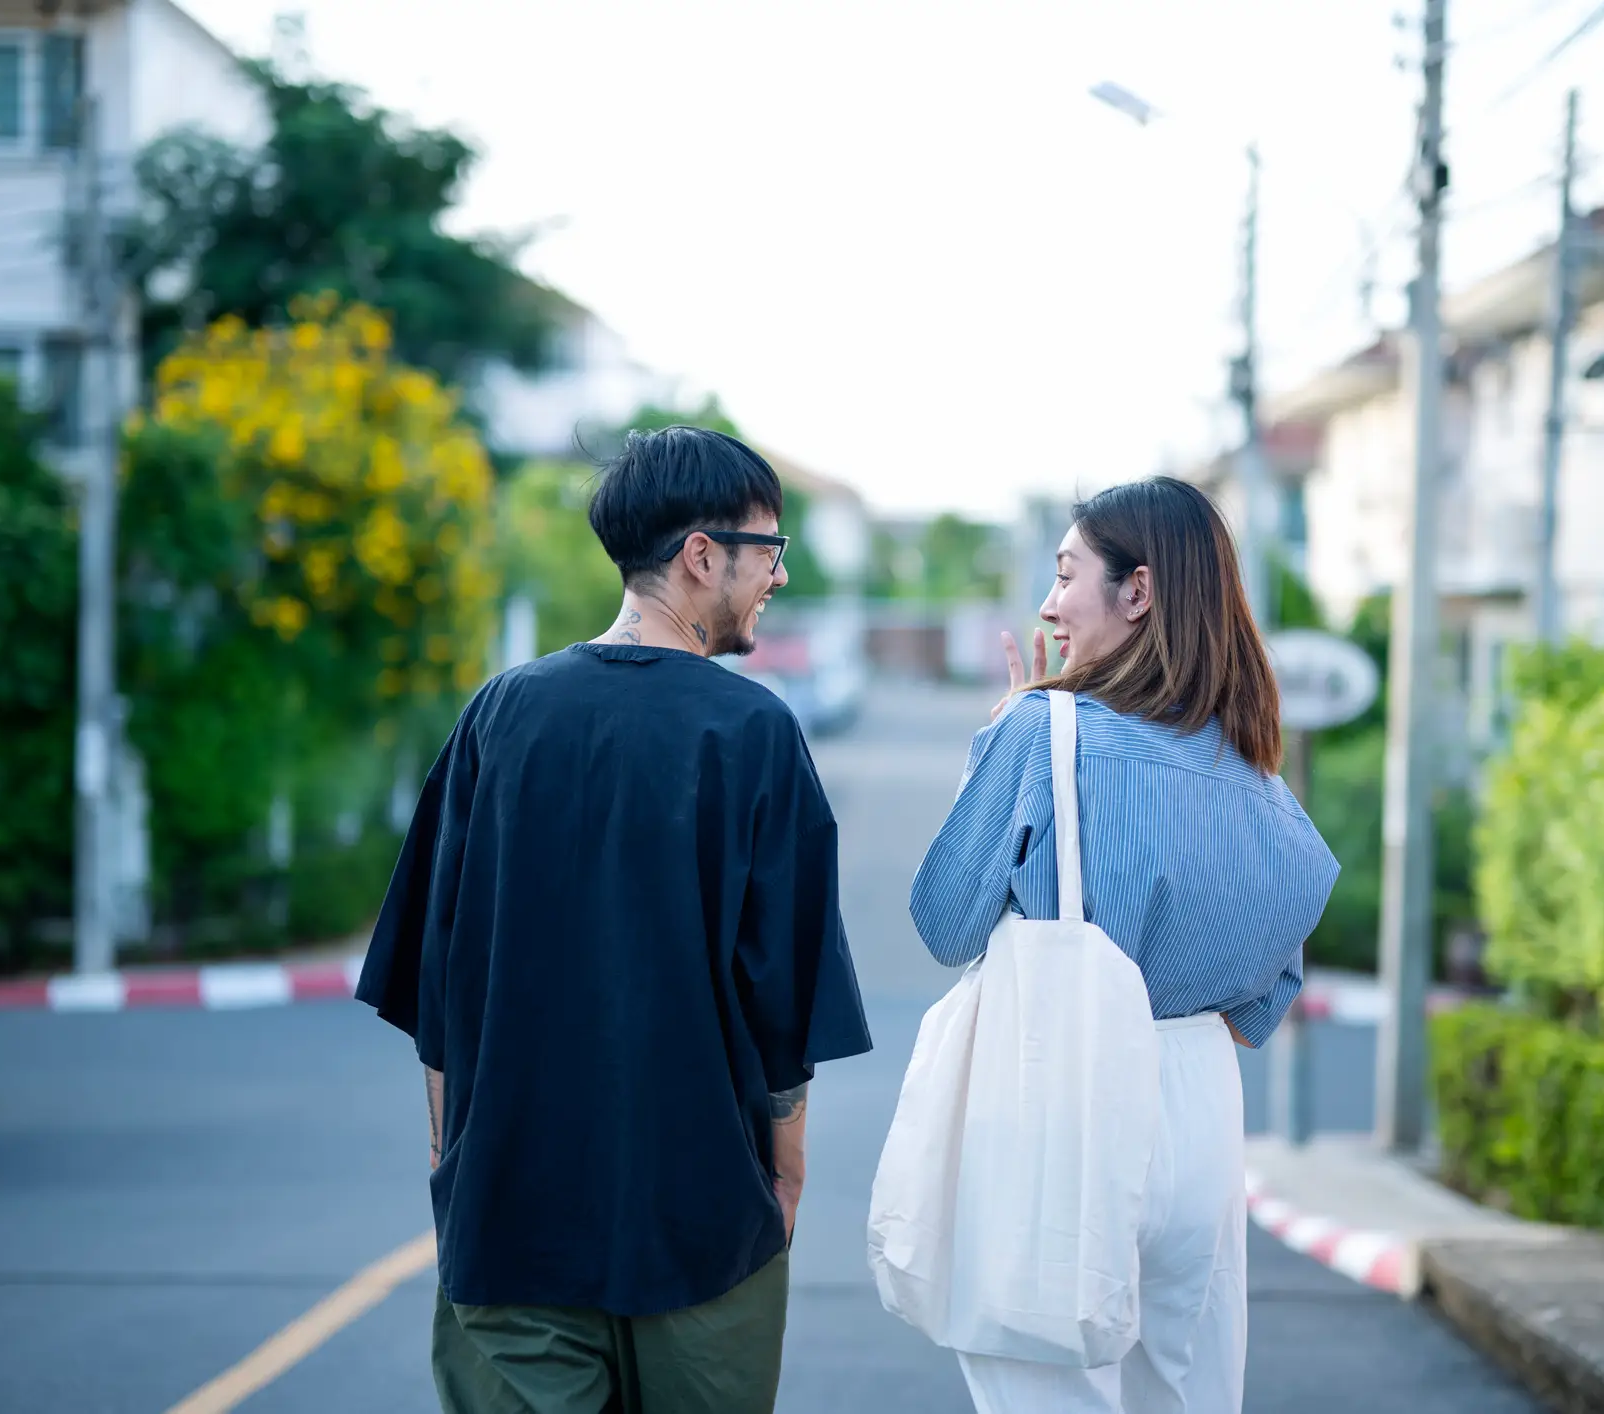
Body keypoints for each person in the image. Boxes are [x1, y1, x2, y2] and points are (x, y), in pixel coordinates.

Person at [356, 425, 874, 1414]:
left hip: (508, 1220)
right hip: (701, 1226)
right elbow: (784, 1012)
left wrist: (449, 1164)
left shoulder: (499, 716)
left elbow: (437, 978)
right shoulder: (754, 732)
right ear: (700, 554)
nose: (778, 574)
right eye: (768, 549)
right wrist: (786, 1175)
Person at [908, 476, 1339, 1413]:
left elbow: (945, 920)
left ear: (1136, 593)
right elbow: (1261, 1004)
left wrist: (1001, 742)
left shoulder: (1039, 732)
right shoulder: (1263, 783)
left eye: (1066, 576)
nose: (1048, 604)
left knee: (1046, 1392)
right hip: (1201, 1119)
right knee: (1182, 1394)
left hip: (1063, 1096)